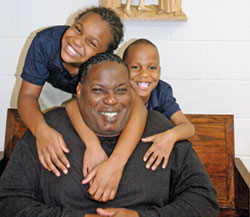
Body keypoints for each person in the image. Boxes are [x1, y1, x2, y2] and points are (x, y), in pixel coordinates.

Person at [0, 53, 219, 216]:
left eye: (121, 90)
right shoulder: (49, 131)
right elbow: (9, 202)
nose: (111, 99)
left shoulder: (160, 131)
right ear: (79, 91)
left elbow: (203, 200)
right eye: (98, 90)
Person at [17, 6, 147, 200]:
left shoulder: (104, 67)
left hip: (87, 98)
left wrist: (116, 162)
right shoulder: (46, 42)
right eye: (78, 29)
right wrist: (42, 130)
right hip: (53, 89)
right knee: (49, 128)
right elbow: (27, 97)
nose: (77, 41)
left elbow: (139, 108)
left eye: (91, 43)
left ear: (103, 54)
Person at [118, 38, 195, 170]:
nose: (144, 74)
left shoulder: (161, 91)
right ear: (123, 69)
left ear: (159, 72)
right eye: (135, 67)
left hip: (152, 153)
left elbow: (188, 127)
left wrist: (169, 137)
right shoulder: (116, 92)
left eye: (151, 68)